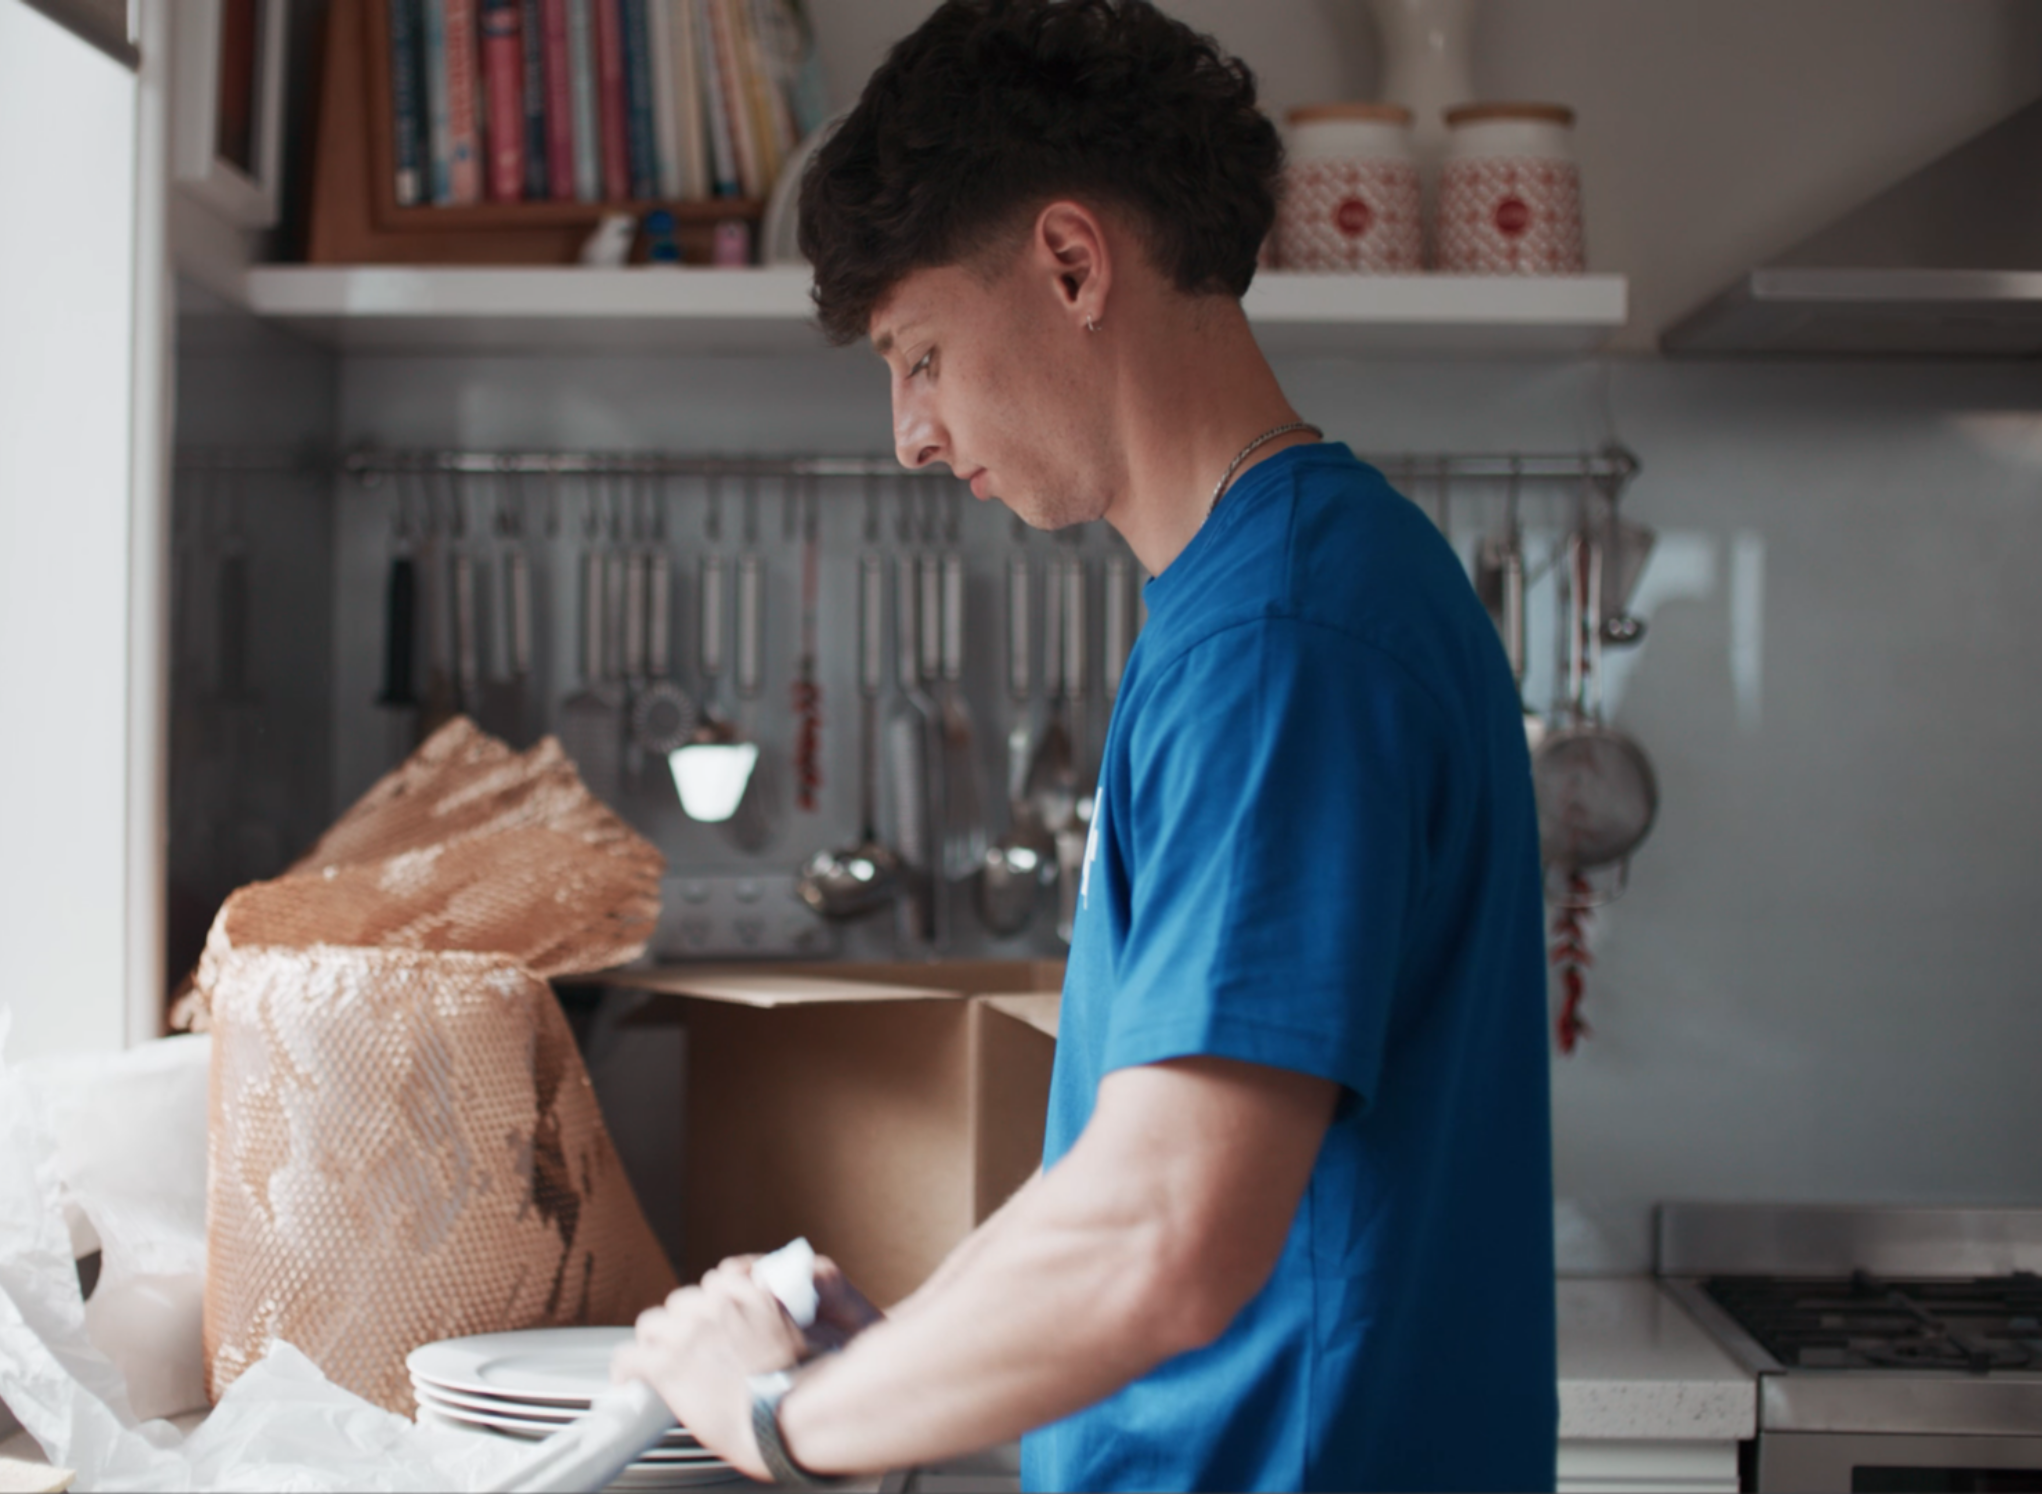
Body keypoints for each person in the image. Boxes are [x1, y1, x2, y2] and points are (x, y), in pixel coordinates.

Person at [607, 3, 1556, 1489]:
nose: (909, 435)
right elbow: (1119, 1171)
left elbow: (1169, 1231)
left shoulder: (1281, 645)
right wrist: (905, 1351)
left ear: (1070, 262)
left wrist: (787, 1422)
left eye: (919, 353)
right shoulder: (1262, 597)